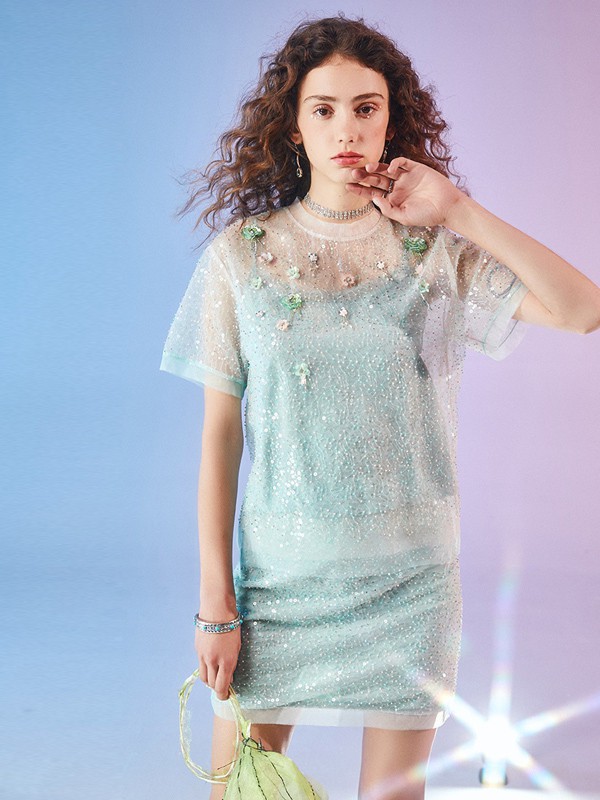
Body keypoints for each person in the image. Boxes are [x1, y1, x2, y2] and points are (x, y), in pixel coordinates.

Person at [160, 14, 600, 800]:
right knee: (240, 790)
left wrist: (457, 210)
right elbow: (220, 439)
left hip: (411, 584)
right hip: (279, 587)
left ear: (391, 119)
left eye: (366, 107)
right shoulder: (241, 257)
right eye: (323, 108)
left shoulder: (434, 254)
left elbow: (583, 310)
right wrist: (215, 606)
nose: (347, 129)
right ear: (292, 125)